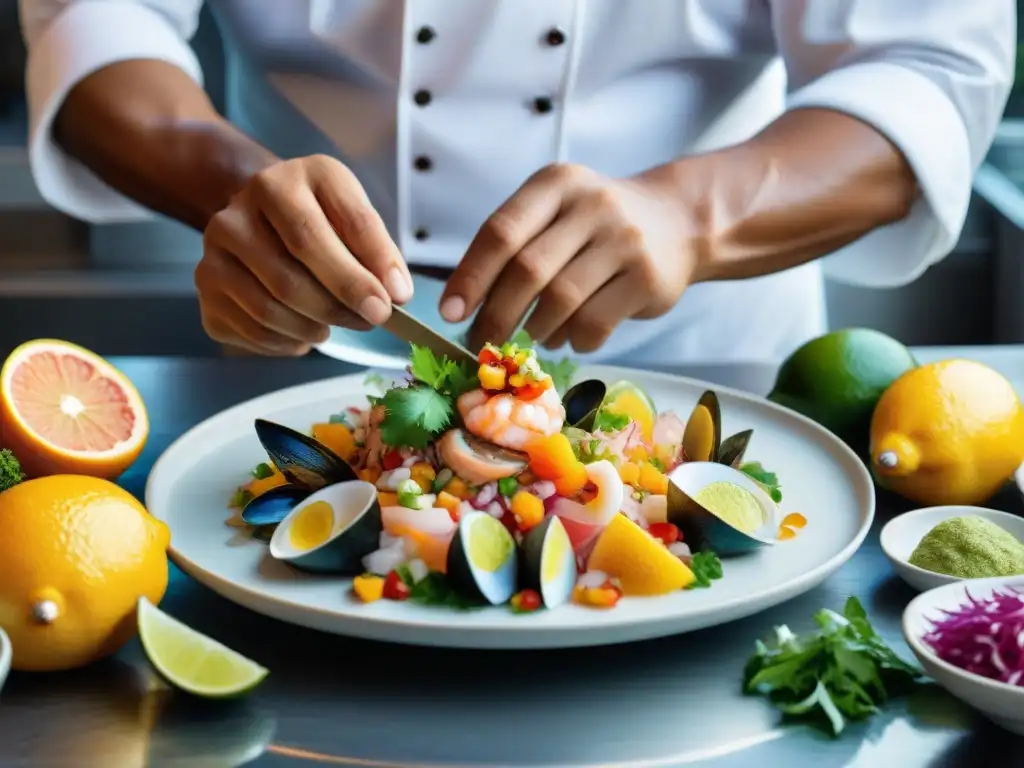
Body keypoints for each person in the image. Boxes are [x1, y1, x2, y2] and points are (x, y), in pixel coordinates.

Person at [19, 1, 1015, 367]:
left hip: (705, 357)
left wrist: (688, 216)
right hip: (314, 339)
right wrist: (244, 196)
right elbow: (99, 24)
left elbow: (922, 66)